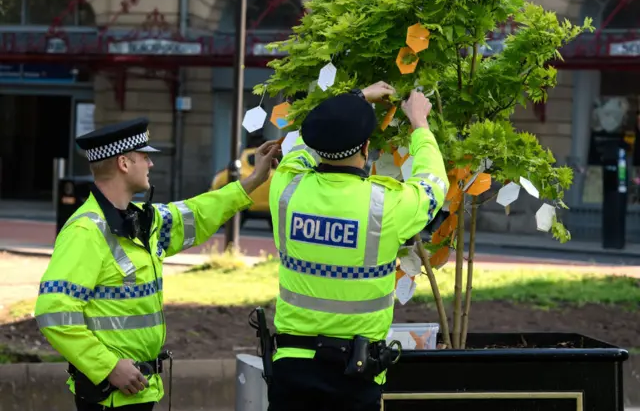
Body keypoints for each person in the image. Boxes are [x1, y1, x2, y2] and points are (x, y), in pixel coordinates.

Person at [34, 117, 280, 411]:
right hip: (109, 396)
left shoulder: (143, 221)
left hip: (138, 391)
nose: (150, 164)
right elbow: (54, 311)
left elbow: (199, 213)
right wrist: (109, 367)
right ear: (124, 163)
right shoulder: (84, 233)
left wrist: (253, 180)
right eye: (144, 157)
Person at [264, 82, 449, 411]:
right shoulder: (385, 204)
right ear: (366, 146)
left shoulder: (285, 188)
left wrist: (355, 100)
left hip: (291, 367)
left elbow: (305, 145)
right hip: (356, 371)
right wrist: (419, 122)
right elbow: (434, 183)